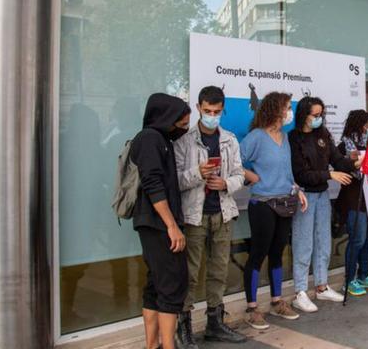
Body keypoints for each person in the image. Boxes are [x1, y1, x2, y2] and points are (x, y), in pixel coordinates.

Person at [173, 86, 247, 346]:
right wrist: (198, 173)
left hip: (223, 214)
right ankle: (184, 328)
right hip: (194, 217)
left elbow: (240, 173)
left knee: (218, 272)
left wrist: (226, 184)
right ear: (198, 108)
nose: (212, 116)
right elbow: (176, 181)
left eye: (216, 112)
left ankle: (215, 323)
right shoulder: (184, 141)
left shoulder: (230, 139)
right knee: (190, 274)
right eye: (207, 111)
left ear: (223, 110)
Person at [239, 92, 308, 329]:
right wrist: (250, 175)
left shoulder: (285, 138)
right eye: (287, 107)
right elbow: (234, 161)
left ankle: (277, 302)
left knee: (278, 252)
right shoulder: (256, 137)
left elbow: (287, 173)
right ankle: (251, 309)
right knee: (258, 253)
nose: (290, 112)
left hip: (285, 201)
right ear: (275, 110)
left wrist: (297, 189)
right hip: (263, 204)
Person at [130, 93, 191, 349]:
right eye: (182, 121)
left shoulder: (161, 139)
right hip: (157, 223)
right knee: (171, 286)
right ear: (168, 117)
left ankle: (152, 345)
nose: (185, 127)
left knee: (156, 285)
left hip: (156, 223)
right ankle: (168, 346)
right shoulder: (150, 139)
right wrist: (172, 225)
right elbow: (153, 183)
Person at [288, 96, 359, 312]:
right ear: (304, 115)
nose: (319, 119)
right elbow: (300, 174)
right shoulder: (294, 138)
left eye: (321, 115)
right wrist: (330, 175)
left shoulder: (323, 135)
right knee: (304, 244)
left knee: (323, 242)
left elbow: (338, 160)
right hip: (305, 196)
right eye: (315, 115)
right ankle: (300, 291)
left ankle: (321, 286)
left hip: (322, 197)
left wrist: (355, 162)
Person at [336, 109, 368, 296]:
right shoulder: (343, 146)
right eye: (365, 125)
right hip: (353, 198)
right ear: (357, 124)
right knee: (358, 238)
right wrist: (354, 160)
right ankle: (349, 279)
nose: (367, 128)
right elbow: (341, 167)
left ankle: (364, 275)